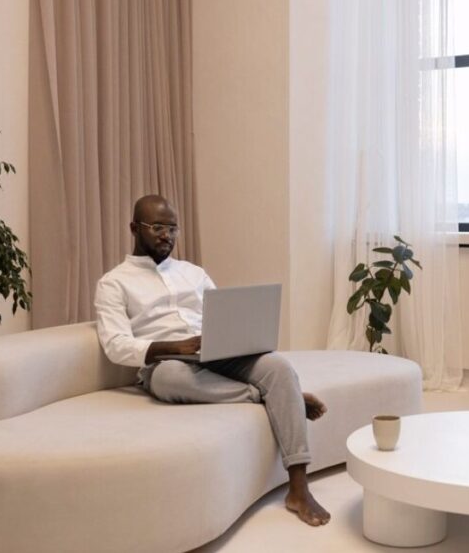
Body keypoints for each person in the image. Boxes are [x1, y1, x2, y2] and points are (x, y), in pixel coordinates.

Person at [94, 195, 331, 526]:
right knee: (170, 379)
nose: (167, 236)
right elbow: (116, 345)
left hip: (215, 353)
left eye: (172, 229)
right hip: (166, 362)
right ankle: (276, 397)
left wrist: (234, 337)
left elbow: (222, 316)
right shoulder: (113, 283)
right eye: (158, 227)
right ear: (134, 228)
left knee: (278, 367)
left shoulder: (193, 273)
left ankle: (298, 488)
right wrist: (175, 347)